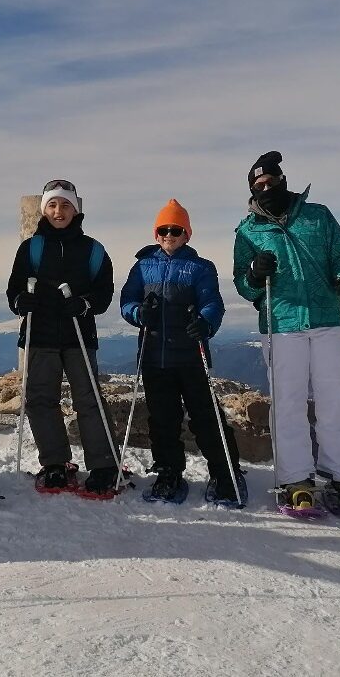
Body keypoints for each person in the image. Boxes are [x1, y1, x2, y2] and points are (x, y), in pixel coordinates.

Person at [231, 151, 340, 514]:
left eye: (272, 181)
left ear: (283, 180)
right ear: (251, 191)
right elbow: (244, 286)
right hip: (281, 324)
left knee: (335, 399)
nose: (266, 187)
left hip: (327, 319)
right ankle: (296, 479)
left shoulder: (317, 216)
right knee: (288, 403)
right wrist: (256, 275)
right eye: (259, 185)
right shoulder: (248, 231)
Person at [119, 199, 241, 503]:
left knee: (206, 416)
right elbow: (126, 299)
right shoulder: (143, 266)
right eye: (163, 230)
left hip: (190, 355)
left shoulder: (200, 267)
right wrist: (137, 312)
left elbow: (212, 302)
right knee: (162, 419)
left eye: (176, 230)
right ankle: (169, 471)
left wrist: (205, 322)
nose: (168, 235)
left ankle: (226, 473)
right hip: (154, 356)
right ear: (156, 233)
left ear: (187, 233)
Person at [5, 180, 118, 497]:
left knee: (89, 399)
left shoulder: (93, 250)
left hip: (78, 333)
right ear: (44, 209)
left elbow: (104, 293)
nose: (59, 211)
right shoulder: (31, 248)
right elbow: (14, 289)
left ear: (76, 209)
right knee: (40, 399)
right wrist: (19, 303)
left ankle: (104, 464)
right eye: (53, 205)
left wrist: (85, 303)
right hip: (40, 333)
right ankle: (54, 463)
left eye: (65, 205)